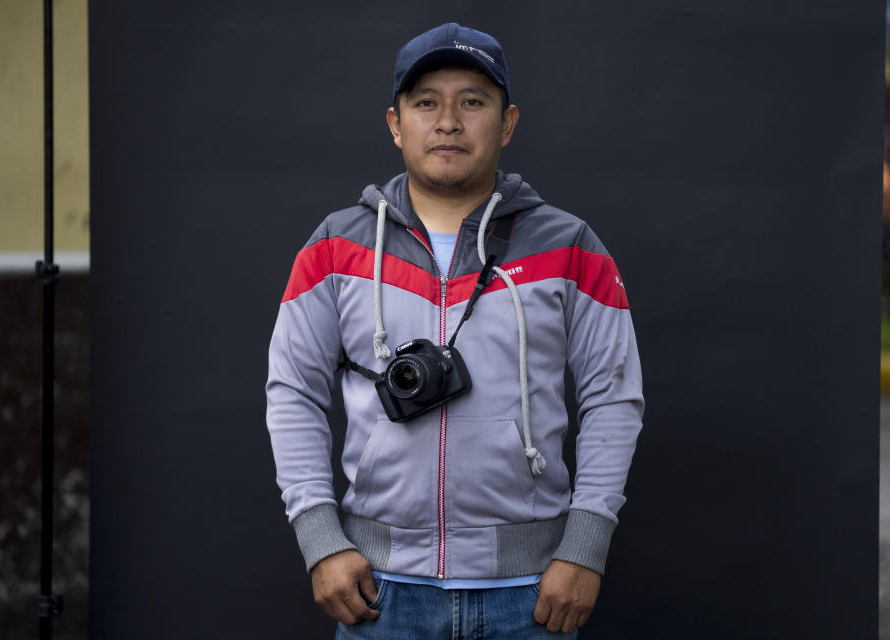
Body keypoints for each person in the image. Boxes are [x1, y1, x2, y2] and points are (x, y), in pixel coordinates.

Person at [265, 22, 644, 639]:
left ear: (508, 121)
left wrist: (584, 548)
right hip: (379, 593)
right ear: (395, 123)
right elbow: (292, 393)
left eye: (472, 101)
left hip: (532, 593)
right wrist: (320, 540)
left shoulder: (571, 246)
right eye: (426, 103)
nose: (448, 122)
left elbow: (613, 396)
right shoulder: (335, 248)